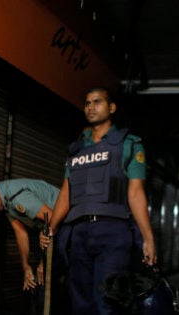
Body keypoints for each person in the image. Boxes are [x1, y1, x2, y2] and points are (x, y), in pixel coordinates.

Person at [40, 86, 157, 315]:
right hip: (78, 233)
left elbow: (135, 193)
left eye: (97, 102)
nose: (91, 107)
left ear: (111, 108)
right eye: (87, 103)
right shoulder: (76, 149)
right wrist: (51, 227)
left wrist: (147, 237)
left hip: (113, 231)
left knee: (108, 302)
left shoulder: (129, 144)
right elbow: (67, 192)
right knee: (80, 303)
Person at [0, 178, 70, 315]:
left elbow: (53, 218)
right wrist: (25, 266)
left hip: (67, 225)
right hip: (55, 232)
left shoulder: (17, 197)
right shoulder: (5, 201)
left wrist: (45, 262)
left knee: (52, 282)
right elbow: (20, 231)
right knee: (39, 283)